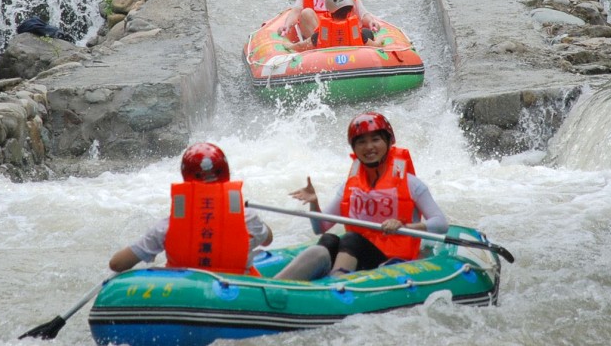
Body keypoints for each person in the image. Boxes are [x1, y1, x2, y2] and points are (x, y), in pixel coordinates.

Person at [274, 112, 448, 281]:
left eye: (375, 140)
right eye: (361, 142)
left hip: (392, 261)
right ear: (354, 148)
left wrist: (406, 226)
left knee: (351, 239)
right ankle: (276, 284)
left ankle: (335, 284)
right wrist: (314, 203)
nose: (369, 147)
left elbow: (441, 224)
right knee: (329, 239)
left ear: (388, 142)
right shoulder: (349, 186)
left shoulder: (411, 184)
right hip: (356, 255)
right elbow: (321, 227)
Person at [108, 142, 273, 275]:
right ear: (226, 172)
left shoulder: (167, 226)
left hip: (183, 296)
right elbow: (268, 240)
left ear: (185, 176)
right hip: (237, 296)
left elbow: (117, 264)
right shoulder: (248, 218)